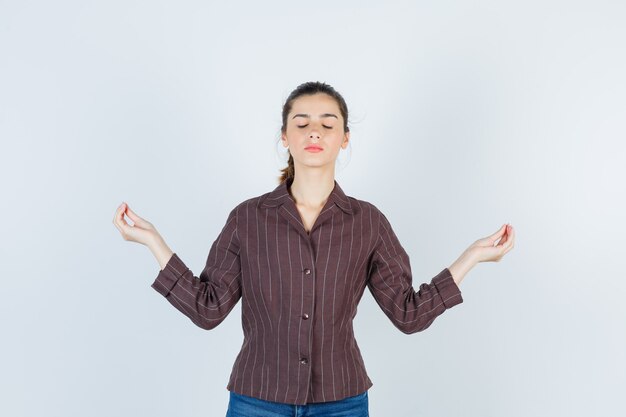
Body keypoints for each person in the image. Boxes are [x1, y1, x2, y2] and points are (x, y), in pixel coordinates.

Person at [113, 81, 515, 416]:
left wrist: (471, 258)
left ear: (344, 139)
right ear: (285, 137)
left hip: (341, 401)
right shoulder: (248, 219)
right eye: (301, 123)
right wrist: (154, 242)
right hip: (257, 400)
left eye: (328, 123)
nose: (315, 132)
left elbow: (408, 315)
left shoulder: (368, 222)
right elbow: (208, 309)